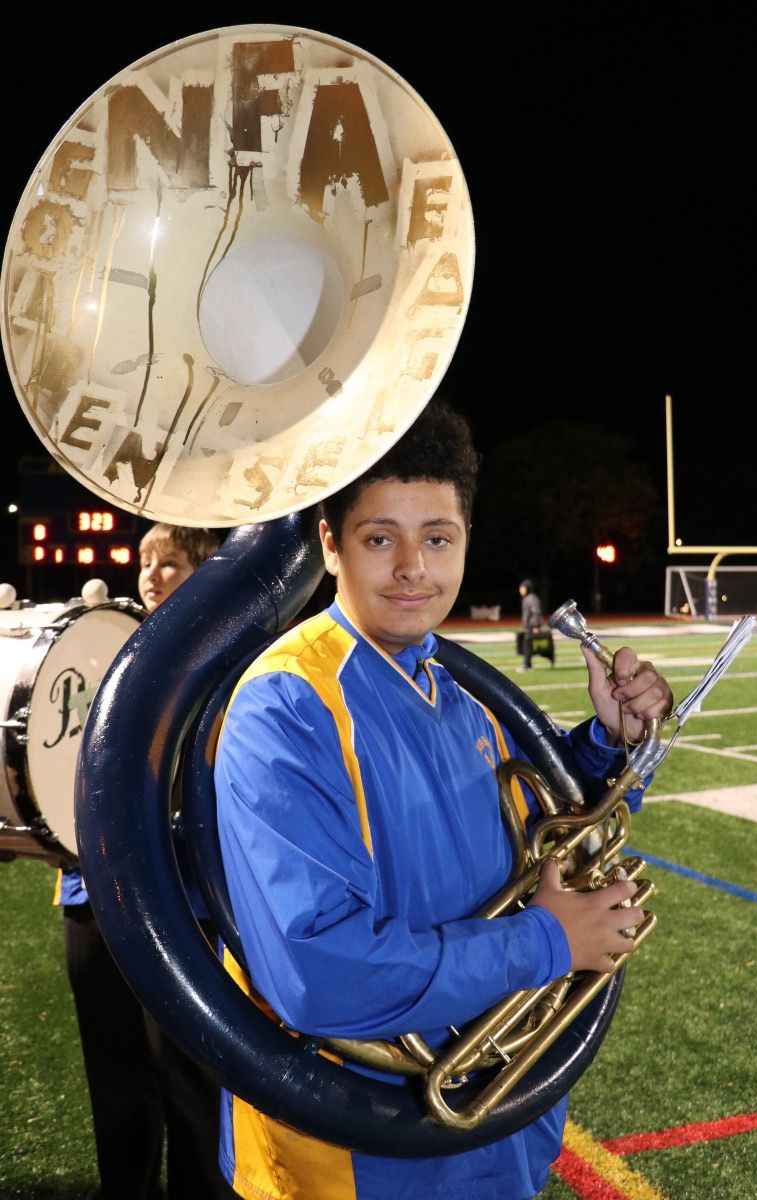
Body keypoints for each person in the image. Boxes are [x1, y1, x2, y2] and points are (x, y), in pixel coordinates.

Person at [213, 399, 674, 1200]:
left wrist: (607, 744)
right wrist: (547, 945)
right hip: (356, 1152)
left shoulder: (459, 685)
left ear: (465, 542)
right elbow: (318, 972)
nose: (412, 569)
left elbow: (525, 825)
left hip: (496, 1123)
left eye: (437, 538)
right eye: (379, 538)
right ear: (329, 544)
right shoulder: (284, 702)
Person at [54, 523, 233, 1200]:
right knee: (115, 1081)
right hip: (91, 896)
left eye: (171, 563)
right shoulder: (101, 653)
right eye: (144, 563)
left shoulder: (226, 662)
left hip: (178, 905)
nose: (152, 576)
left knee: (190, 1085)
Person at [518, 577, 550, 670]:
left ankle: (527, 665)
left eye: (522, 588)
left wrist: (536, 626)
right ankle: (528, 664)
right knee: (526, 645)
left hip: (532, 626)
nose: (520, 590)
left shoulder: (532, 598)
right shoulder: (527, 598)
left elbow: (536, 612)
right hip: (529, 626)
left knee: (527, 645)